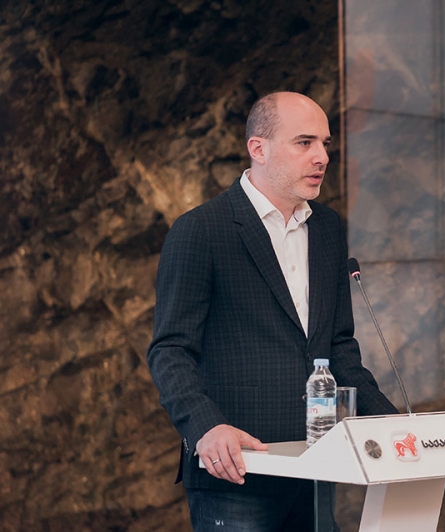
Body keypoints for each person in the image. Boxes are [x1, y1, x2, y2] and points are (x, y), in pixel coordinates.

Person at [147, 91, 398, 531]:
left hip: (317, 468)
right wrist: (206, 427)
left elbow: (337, 347)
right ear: (258, 149)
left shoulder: (327, 229)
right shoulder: (200, 229)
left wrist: (395, 426)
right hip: (238, 473)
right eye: (304, 143)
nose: (322, 157)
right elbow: (169, 351)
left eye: (325, 144)